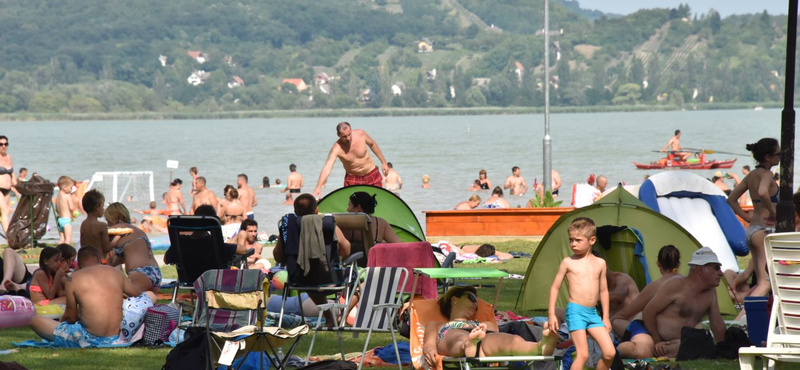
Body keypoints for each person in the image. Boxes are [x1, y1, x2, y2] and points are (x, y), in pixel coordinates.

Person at [29, 247, 148, 348]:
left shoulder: (73, 278)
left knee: (35, 321)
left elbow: (70, 317)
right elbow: (141, 296)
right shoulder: (116, 273)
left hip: (89, 338)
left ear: (79, 264)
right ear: (98, 258)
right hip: (118, 335)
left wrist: (62, 322)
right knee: (150, 296)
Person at [423, 286, 556, 367]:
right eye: (472, 298)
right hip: (451, 336)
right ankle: (467, 345)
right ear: (454, 299)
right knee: (459, 337)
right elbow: (429, 343)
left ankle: (539, 347)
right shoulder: (437, 325)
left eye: (477, 302)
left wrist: (487, 326)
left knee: (513, 340)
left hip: (479, 342)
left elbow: (495, 334)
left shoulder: (480, 325)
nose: (475, 304)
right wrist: (429, 349)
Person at [273, 193, 352, 327]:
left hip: (299, 279)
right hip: (332, 280)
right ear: (316, 210)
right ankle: (342, 316)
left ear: (295, 211)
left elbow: (278, 257)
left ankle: (330, 318)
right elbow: (346, 251)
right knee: (358, 278)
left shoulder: (288, 227)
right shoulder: (327, 225)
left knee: (311, 277)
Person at [548, 217, 615, 370]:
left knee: (610, 352)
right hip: (575, 311)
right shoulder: (568, 262)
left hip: (593, 313)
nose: (573, 244)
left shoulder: (600, 263)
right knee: (583, 354)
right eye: (571, 240)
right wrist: (551, 313)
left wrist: (606, 317)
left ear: (592, 240)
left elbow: (604, 291)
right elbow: (554, 288)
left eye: (578, 240)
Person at [642, 247, 726, 358]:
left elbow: (717, 322)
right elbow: (648, 312)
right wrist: (657, 340)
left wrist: (723, 348)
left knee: (697, 345)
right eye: (716, 268)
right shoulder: (676, 285)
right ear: (700, 269)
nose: (721, 273)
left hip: (677, 341)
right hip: (648, 332)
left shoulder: (710, 292)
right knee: (641, 351)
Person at [727, 138, 780, 298]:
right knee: (765, 283)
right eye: (778, 154)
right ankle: (742, 319)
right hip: (764, 230)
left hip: (752, 230)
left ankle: (747, 312)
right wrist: (772, 212)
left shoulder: (751, 175)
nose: (780, 157)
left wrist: (746, 218)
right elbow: (763, 191)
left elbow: (731, 199)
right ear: (768, 157)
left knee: (760, 282)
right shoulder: (767, 174)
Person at [614, 245, 681, 359]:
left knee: (618, 322)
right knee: (644, 349)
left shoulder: (656, 286)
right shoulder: (687, 286)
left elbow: (626, 313)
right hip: (651, 330)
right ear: (678, 264)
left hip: (664, 332)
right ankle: (609, 351)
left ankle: (609, 350)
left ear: (658, 263)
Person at [311, 122, 389, 198]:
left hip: (371, 173)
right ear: (338, 135)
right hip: (353, 178)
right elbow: (327, 167)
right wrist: (318, 187)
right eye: (344, 136)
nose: (348, 138)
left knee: (377, 201)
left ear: (351, 130)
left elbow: (373, 144)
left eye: (349, 134)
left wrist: (383, 162)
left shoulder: (361, 134)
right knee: (354, 207)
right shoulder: (336, 148)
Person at [106, 203, 162, 293]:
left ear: (111, 217)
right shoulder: (137, 230)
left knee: (120, 299)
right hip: (155, 271)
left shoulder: (114, 230)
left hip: (139, 273)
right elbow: (123, 257)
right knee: (145, 304)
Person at [80, 189, 111, 256]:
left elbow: (82, 245)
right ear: (97, 207)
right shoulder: (102, 226)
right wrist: (117, 238)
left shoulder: (83, 224)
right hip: (99, 260)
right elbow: (106, 248)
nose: (103, 209)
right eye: (102, 206)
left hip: (86, 259)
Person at [55, 176, 79, 244]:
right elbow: (71, 208)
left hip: (59, 220)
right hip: (66, 221)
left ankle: (58, 251)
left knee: (62, 240)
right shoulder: (67, 196)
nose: (71, 189)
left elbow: (56, 209)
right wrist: (75, 211)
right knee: (68, 240)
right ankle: (66, 253)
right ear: (64, 187)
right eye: (71, 187)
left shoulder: (58, 196)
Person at [0, 136, 15, 234]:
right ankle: (10, 238)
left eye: (6, 144)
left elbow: (11, 173)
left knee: (4, 213)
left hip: (8, 190)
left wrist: (16, 186)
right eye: (1, 144)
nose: (3, 146)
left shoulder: (8, 156)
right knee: (5, 211)